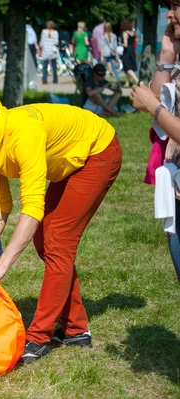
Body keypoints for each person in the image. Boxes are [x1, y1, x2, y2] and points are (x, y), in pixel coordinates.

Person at [0, 93, 122, 364]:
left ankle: (39, 336)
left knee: (57, 241)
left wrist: (2, 265)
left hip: (96, 151)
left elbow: (32, 207)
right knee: (46, 241)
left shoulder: (22, 135)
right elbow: (0, 205)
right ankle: (75, 330)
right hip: (67, 161)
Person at [130, 0, 180, 282]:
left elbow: (153, 103)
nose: (169, 15)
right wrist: (167, 53)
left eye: (175, 6)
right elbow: (157, 94)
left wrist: (154, 108)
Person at [121, 19, 138, 86]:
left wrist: (120, 44)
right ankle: (127, 83)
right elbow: (135, 41)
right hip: (132, 50)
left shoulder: (125, 33)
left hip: (127, 51)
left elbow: (125, 44)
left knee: (127, 67)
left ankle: (136, 80)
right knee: (130, 66)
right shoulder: (132, 33)